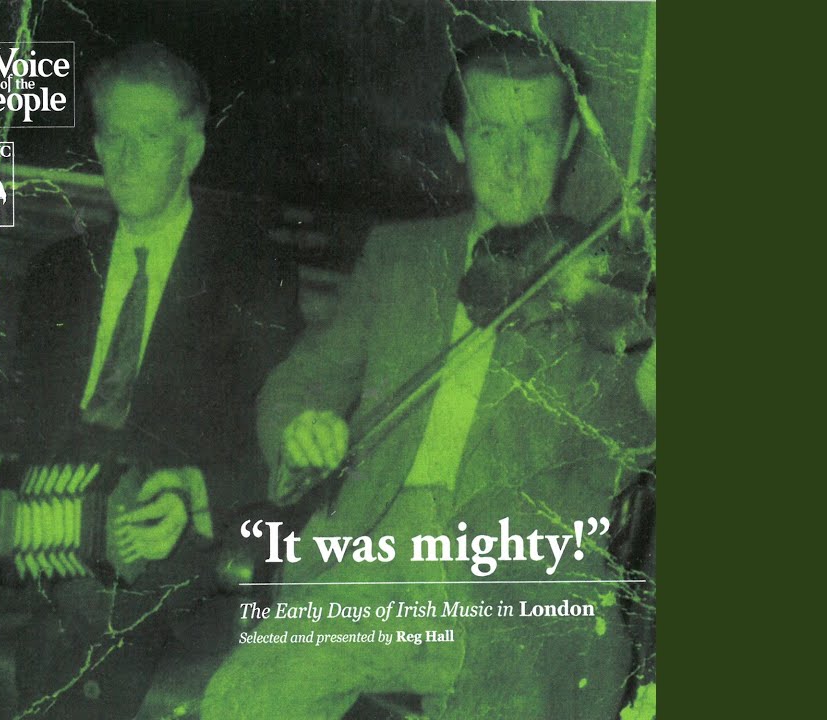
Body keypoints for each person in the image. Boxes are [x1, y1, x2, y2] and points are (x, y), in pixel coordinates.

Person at [201, 33, 654, 719]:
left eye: (535, 134)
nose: (513, 163)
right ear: (456, 140)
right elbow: (300, 382)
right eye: (490, 133)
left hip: (519, 584)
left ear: (568, 143)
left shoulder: (606, 287)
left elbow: (646, 416)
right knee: (242, 700)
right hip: (377, 552)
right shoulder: (400, 255)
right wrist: (303, 429)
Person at [0, 42, 297, 719]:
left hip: (154, 527)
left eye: (150, 137)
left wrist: (197, 498)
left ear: (190, 150)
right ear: (98, 146)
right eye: (114, 136)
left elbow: (277, 439)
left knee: (89, 606)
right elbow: (12, 408)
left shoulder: (251, 272)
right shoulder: (58, 270)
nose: (127, 158)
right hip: (32, 507)